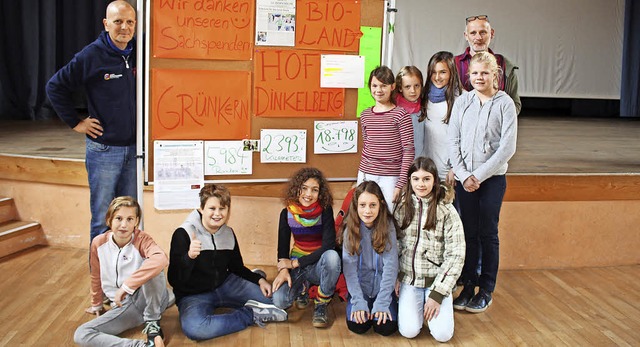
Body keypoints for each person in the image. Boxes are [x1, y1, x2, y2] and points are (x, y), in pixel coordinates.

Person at [46, 0, 138, 244]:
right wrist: (76, 123)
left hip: (135, 151)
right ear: (106, 24)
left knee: (130, 217)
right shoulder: (91, 54)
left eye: (130, 22)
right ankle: (100, 281)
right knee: (102, 219)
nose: (124, 28)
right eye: (118, 21)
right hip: (104, 150)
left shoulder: (141, 52)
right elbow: (55, 86)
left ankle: (127, 279)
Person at [168, 184, 287, 341]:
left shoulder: (228, 233)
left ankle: (257, 274)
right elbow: (174, 280)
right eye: (212, 208)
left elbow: (236, 267)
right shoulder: (183, 234)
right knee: (196, 328)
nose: (217, 214)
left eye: (222, 208)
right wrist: (189, 257)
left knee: (279, 301)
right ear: (202, 209)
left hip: (226, 284)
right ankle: (251, 314)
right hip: (193, 295)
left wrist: (259, 280)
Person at [448, 52, 517, 313]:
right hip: (465, 181)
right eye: (475, 73)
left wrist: (480, 176)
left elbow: (506, 148)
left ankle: (486, 288)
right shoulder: (462, 102)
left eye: (485, 73)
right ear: (469, 75)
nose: (479, 77)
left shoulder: (505, 104)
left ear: (495, 75)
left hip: (491, 180)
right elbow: (452, 141)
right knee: (468, 233)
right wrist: (465, 175)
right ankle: (468, 285)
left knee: (488, 233)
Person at [74, 196, 173, 347]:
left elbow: (161, 259)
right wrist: (96, 303)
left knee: (153, 264)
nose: (124, 225)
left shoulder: (142, 239)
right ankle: (144, 346)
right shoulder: (98, 243)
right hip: (125, 305)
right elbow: (95, 274)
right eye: (119, 218)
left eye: (130, 219)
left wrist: (127, 286)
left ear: (136, 221)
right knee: (82, 334)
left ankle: (152, 322)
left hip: (145, 297)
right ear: (109, 220)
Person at [393, 157, 465, 342]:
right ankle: (416, 308)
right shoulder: (401, 206)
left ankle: (434, 304)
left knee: (443, 335)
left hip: (436, 281)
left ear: (434, 180)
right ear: (410, 180)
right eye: (416, 178)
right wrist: (396, 276)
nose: (421, 184)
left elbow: (456, 255)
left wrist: (438, 293)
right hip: (409, 280)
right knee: (409, 331)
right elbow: (394, 245)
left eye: (426, 178)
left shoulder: (447, 211)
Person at [271, 167, 341, 328]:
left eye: (314, 190)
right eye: (304, 188)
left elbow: (328, 247)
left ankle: (322, 303)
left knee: (332, 256)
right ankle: (303, 288)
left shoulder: (325, 211)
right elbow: (282, 248)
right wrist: (283, 270)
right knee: (280, 301)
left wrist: (295, 264)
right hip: (298, 265)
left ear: (320, 193)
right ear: (296, 189)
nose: (308, 194)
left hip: (317, 265)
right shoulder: (286, 213)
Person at [341, 181, 399, 336]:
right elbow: (350, 271)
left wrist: (382, 302)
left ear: (380, 205)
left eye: (372, 205)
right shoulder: (350, 229)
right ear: (356, 206)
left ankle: (384, 304)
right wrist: (358, 301)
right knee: (358, 326)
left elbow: (391, 266)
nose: (367, 211)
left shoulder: (388, 226)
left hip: (383, 289)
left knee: (385, 328)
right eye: (363, 205)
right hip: (361, 289)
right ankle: (361, 303)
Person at [358, 66, 415, 208]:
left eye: (383, 86)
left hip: (391, 177)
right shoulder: (365, 115)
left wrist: (400, 183)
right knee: (366, 216)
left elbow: (408, 151)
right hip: (366, 174)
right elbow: (367, 144)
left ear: (393, 86)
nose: (378, 90)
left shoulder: (401, 115)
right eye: (374, 85)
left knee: (389, 217)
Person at [455, 15, 521, 115]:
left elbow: (515, 105)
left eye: (483, 32)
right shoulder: (453, 64)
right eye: (473, 33)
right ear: (466, 36)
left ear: (492, 33)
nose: (478, 37)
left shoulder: (504, 65)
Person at [419, 51, 464, 186]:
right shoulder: (423, 96)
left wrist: (455, 168)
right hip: (427, 171)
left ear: (452, 72)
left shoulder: (462, 99)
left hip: (449, 173)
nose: (437, 77)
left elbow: (466, 139)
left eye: (443, 72)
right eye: (433, 72)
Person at [394, 66, 425, 159]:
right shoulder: (394, 110)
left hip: (419, 163)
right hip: (399, 165)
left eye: (416, 86)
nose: (413, 91)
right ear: (400, 88)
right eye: (407, 87)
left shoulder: (424, 106)